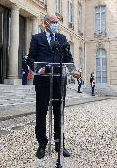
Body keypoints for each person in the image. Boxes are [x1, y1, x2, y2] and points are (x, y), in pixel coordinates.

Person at [27, 13, 76, 159]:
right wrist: (37, 69)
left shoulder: (62, 39)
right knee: (41, 114)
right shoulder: (37, 38)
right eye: (53, 22)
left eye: (57, 22)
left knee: (58, 114)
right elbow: (30, 58)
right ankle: (42, 144)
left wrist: (74, 71)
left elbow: (68, 58)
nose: (56, 24)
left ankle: (59, 144)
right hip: (42, 81)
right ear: (46, 23)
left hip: (58, 81)